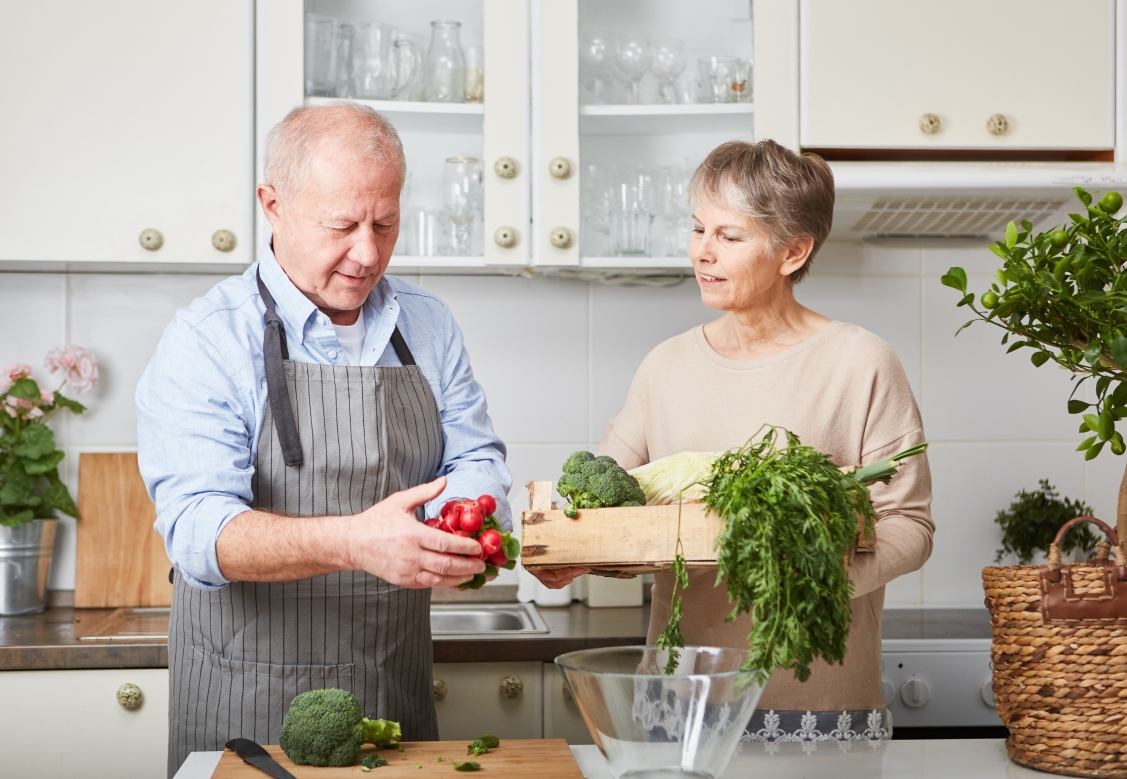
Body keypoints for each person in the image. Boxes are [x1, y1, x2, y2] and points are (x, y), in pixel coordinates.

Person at [136, 102, 511, 774]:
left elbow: (475, 457)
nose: (367, 253)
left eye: (386, 223)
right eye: (341, 225)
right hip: (244, 709)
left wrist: (474, 526)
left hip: (393, 703)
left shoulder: (427, 325)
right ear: (272, 205)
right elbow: (198, 530)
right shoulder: (206, 340)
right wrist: (352, 541)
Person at [533, 140, 933, 745]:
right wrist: (571, 548)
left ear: (792, 251)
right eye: (698, 228)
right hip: (681, 700)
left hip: (819, 701)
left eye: (729, 236)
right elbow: (604, 501)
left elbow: (910, 524)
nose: (702, 252)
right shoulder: (664, 366)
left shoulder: (860, 363)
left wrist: (807, 578)